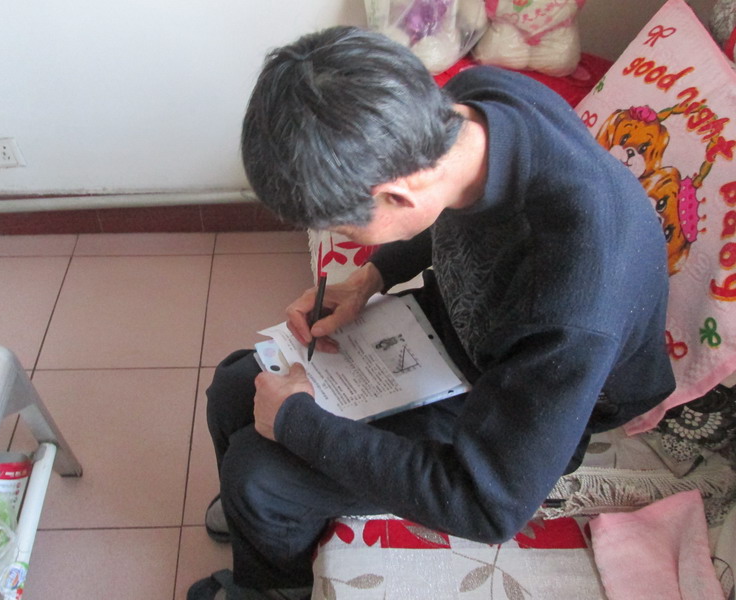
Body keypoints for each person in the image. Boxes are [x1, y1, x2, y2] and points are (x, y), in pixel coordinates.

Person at [188, 25, 675, 600]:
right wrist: (370, 276)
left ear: (399, 195)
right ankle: (261, 525)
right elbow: (447, 202)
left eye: (345, 228)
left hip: (530, 394)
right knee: (233, 386)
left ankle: (269, 576)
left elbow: (489, 506)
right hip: (475, 322)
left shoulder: (573, 302)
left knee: (259, 477)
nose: (341, 238)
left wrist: (298, 424)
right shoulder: (475, 107)